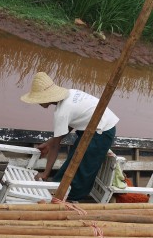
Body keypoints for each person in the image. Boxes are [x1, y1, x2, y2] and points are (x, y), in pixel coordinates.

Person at [20, 71, 119, 201]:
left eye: (38, 99)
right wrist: (49, 143)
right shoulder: (70, 93)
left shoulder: (61, 112)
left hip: (101, 131)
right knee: (74, 161)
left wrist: (45, 173)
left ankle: (72, 199)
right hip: (95, 126)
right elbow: (72, 122)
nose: (38, 103)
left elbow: (56, 146)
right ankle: (61, 191)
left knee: (82, 168)